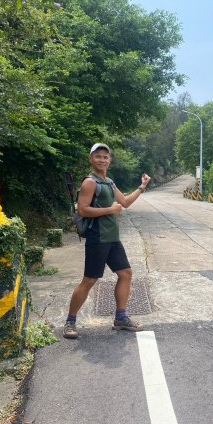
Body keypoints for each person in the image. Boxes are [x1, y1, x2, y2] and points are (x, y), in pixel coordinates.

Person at [63, 143, 151, 339]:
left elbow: (125, 202)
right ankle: (70, 322)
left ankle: (120, 318)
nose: (102, 159)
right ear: (91, 159)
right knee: (90, 280)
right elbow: (82, 210)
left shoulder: (109, 182)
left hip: (112, 238)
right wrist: (110, 210)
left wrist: (142, 187)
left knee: (126, 273)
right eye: (98, 156)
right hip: (97, 238)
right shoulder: (90, 182)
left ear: (110, 160)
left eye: (105, 156)